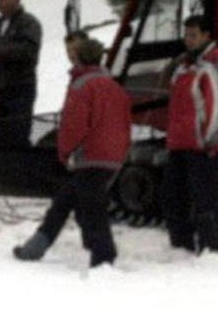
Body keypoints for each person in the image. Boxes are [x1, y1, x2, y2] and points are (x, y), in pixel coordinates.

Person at [12, 33, 130, 267]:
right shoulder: (115, 87)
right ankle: (37, 245)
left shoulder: (81, 85)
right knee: (66, 201)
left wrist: (65, 151)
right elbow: (125, 123)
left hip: (89, 155)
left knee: (90, 208)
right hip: (113, 155)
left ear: (79, 59)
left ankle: (103, 256)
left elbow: (72, 125)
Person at [160, 14, 218, 253]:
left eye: (193, 35)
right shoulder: (186, 64)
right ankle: (181, 245)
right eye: (186, 35)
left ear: (206, 36)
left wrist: (210, 140)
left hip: (200, 145)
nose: (188, 40)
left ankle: (210, 247)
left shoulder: (214, 63)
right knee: (173, 197)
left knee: (204, 200)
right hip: (179, 141)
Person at [0, 0, 42, 147]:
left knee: (18, 134)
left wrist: (1, 54)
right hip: (0, 89)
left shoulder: (28, 23)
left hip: (20, 88)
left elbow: (28, 50)